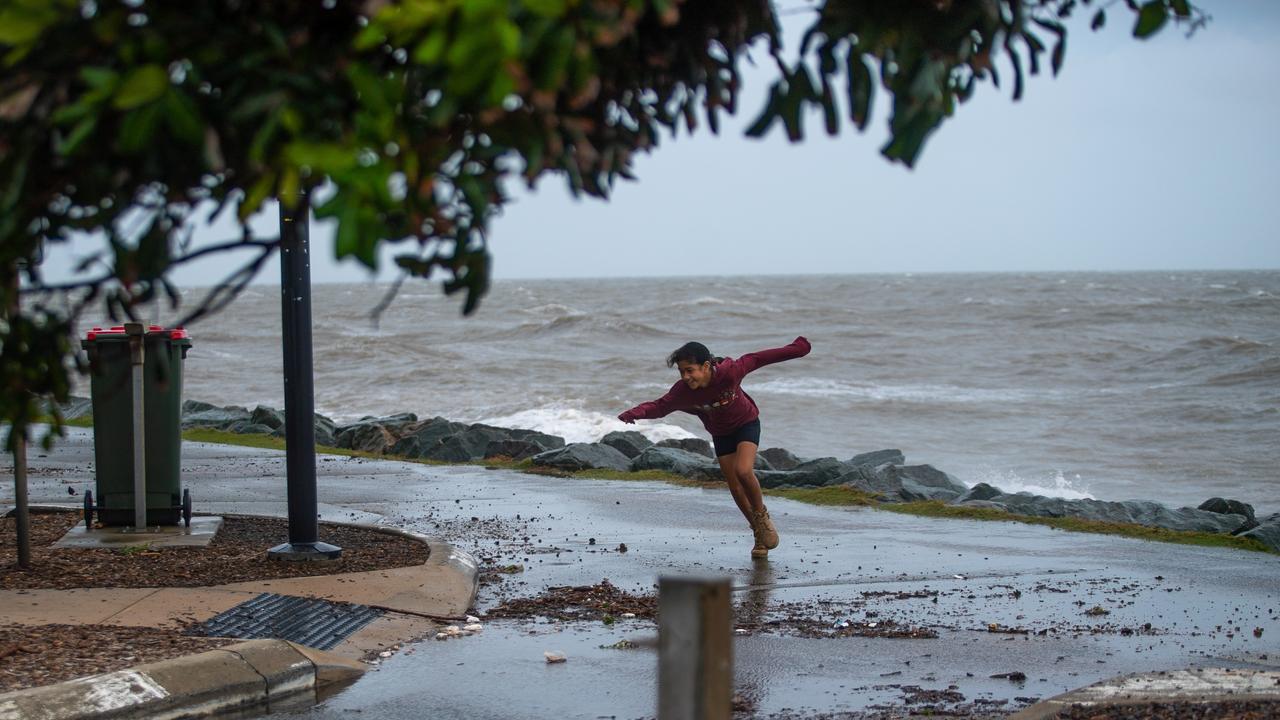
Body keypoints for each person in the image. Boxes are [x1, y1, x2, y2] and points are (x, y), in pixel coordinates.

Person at [617, 336, 812, 559]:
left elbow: (759, 359)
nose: (686, 376)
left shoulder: (730, 372)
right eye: (681, 372)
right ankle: (758, 534)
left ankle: (762, 517)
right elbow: (661, 407)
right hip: (721, 434)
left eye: (690, 370)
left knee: (743, 470)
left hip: (746, 424)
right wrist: (635, 413)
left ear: (706, 366)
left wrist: (797, 349)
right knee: (735, 487)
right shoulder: (683, 391)